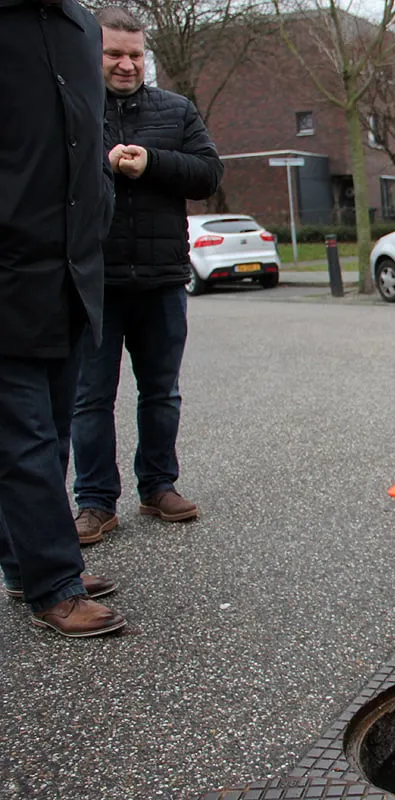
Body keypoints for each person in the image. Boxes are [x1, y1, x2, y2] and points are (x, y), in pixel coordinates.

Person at [71, 6, 224, 545]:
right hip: (96, 280)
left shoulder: (176, 110)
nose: (126, 65)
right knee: (91, 397)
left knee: (161, 393)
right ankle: (94, 502)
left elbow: (209, 174)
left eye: (135, 55)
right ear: (95, 54)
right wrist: (103, 165)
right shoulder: (73, 108)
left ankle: (158, 486)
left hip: (161, 279)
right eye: (114, 54)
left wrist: (151, 162)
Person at [0, 0, 126, 636]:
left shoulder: (82, 27)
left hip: (72, 272)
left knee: (50, 428)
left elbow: (90, 133)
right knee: (21, 439)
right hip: (8, 271)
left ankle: (25, 562)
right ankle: (54, 582)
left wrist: (97, 214)